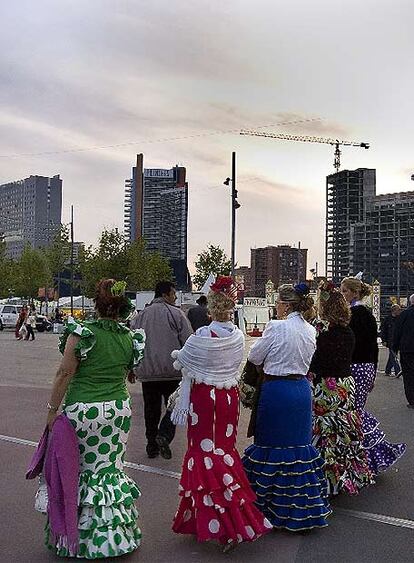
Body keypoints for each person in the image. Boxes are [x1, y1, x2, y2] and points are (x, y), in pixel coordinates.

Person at [44, 279, 145, 558]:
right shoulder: (129, 338)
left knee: (82, 472)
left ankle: (79, 539)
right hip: (117, 412)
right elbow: (128, 373)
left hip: (85, 411)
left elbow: (65, 373)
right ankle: (115, 537)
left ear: (96, 304)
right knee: (110, 470)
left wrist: (52, 410)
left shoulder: (82, 333)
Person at [170, 276, 271, 551]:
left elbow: (182, 359)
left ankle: (227, 524)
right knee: (224, 450)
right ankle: (206, 518)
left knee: (204, 454)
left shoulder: (202, 336)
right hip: (228, 397)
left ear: (211, 309)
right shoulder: (238, 337)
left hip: (204, 399)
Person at [242, 283, 331, 531]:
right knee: (298, 450)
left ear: (285, 304)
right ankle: (300, 509)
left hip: (276, 391)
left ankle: (268, 507)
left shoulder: (276, 327)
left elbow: (255, 357)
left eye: (279, 303)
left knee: (271, 447)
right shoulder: (310, 330)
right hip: (301, 392)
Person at [309, 281, 374, 495]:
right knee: (343, 430)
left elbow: (317, 360)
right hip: (345, 385)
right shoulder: (347, 332)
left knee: (324, 431)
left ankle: (324, 479)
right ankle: (343, 475)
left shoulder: (322, 331)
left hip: (326, 385)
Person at [341, 277, 406, 474]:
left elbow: (349, 346)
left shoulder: (353, 314)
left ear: (354, 293)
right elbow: (373, 346)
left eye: (344, 291)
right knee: (355, 412)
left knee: (352, 414)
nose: (342, 295)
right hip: (366, 367)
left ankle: (364, 457)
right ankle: (366, 457)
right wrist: (373, 369)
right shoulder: (367, 315)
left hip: (355, 367)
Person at [131, 281, 193, 459]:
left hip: (147, 373)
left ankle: (151, 445)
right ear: (166, 294)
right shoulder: (176, 314)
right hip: (171, 372)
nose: (175, 297)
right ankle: (164, 435)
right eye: (173, 294)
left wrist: (132, 367)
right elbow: (188, 342)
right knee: (174, 406)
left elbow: (133, 343)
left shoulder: (140, 316)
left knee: (151, 410)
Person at [393, 294, 414, 408]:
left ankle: (412, 400)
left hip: (407, 349)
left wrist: (395, 348)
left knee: (409, 375)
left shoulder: (405, 314)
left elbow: (397, 332)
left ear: (410, 302)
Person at [380, 304, 402, 377]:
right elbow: (383, 331)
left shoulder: (400, 319)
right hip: (390, 341)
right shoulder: (387, 319)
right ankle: (397, 371)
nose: (400, 311)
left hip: (397, 340)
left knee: (392, 356)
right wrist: (383, 340)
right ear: (394, 310)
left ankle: (387, 370)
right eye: (398, 309)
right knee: (393, 356)